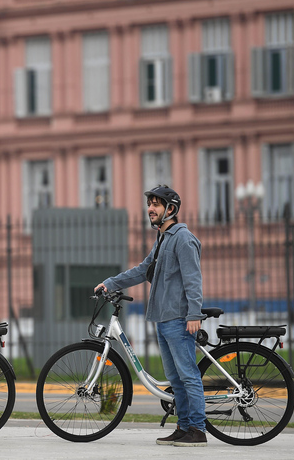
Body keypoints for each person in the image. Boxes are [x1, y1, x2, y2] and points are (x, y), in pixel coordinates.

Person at [94, 185, 207, 447]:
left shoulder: (183, 238)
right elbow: (142, 270)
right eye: (150, 204)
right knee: (176, 378)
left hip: (179, 319)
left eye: (156, 204)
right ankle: (184, 426)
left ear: (171, 209)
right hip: (163, 319)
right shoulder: (162, 239)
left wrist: (194, 314)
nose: (150, 209)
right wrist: (111, 283)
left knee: (188, 375)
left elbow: (193, 280)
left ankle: (198, 430)